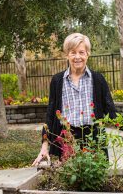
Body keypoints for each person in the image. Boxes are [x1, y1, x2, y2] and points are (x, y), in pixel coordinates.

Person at [32, 33, 117, 166]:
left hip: (93, 139)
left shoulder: (98, 79)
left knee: (95, 181)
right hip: (65, 140)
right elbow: (50, 115)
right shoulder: (57, 81)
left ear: (88, 54)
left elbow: (111, 112)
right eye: (73, 52)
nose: (77, 57)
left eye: (81, 52)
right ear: (67, 55)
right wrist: (44, 146)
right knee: (66, 181)